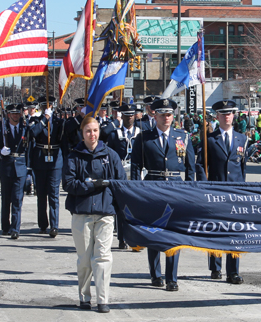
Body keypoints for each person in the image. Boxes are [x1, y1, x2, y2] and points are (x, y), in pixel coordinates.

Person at [131, 98, 196, 292]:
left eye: (169, 114)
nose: (166, 118)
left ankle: (172, 277)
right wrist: (136, 193)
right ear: (155, 115)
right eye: (162, 114)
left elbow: (191, 168)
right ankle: (155, 273)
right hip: (152, 188)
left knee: (173, 234)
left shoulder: (182, 137)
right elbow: (136, 167)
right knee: (154, 231)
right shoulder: (144, 138)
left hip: (176, 189)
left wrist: (190, 191)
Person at [63, 116, 126, 313]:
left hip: (105, 213)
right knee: (84, 258)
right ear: (82, 133)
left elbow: (120, 182)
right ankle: (84, 297)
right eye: (88, 131)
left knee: (103, 257)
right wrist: (91, 185)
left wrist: (109, 192)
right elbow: (69, 184)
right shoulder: (74, 156)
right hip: (82, 213)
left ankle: (102, 299)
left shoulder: (111, 155)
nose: (92, 134)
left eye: (95, 130)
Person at [196, 100, 247, 284]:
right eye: (223, 113)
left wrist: (243, 190)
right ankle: (215, 267)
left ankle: (233, 271)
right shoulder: (210, 139)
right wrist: (204, 188)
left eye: (230, 113)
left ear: (234, 115)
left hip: (235, 192)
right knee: (216, 230)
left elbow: (242, 167)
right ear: (216, 116)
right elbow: (201, 165)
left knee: (235, 232)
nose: (227, 116)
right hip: (215, 190)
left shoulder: (242, 138)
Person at [28, 96, 66, 237]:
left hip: (55, 160)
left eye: (49, 106)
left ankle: (54, 226)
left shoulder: (59, 121)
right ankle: (43, 224)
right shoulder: (36, 120)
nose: (47, 108)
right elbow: (32, 133)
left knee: (54, 195)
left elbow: (64, 139)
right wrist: (45, 119)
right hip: (40, 159)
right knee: (41, 195)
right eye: (45, 106)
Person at [106, 103, 141, 249]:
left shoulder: (141, 133)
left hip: (137, 171)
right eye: (126, 115)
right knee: (121, 207)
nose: (129, 118)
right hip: (120, 172)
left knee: (136, 207)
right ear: (122, 117)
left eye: (131, 115)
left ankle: (135, 238)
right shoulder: (114, 135)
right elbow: (110, 156)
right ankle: (122, 238)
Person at [0, 104, 28, 239]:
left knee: (17, 199)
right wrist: (0, 153)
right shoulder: (2, 129)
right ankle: (5, 226)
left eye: (17, 114)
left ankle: (15, 228)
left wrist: (29, 168)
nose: (15, 116)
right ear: (8, 115)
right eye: (13, 114)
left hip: (20, 166)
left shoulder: (25, 128)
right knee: (6, 199)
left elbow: (29, 148)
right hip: (6, 166)